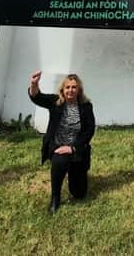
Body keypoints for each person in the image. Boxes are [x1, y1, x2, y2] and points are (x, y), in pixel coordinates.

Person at [28, 70, 95, 214]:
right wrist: (34, 84)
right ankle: (55, 198)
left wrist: (73, 148)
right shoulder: (55, 102)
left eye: (74, 87)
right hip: (58, 147)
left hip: (76, 149)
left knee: (79, 194)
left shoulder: (86, 106)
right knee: (59, 161)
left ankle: (73, 171)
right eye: (67, 87)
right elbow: (37, 97)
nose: (70, 90)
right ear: (63, 90)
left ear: (79, 90)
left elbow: (89, 130)